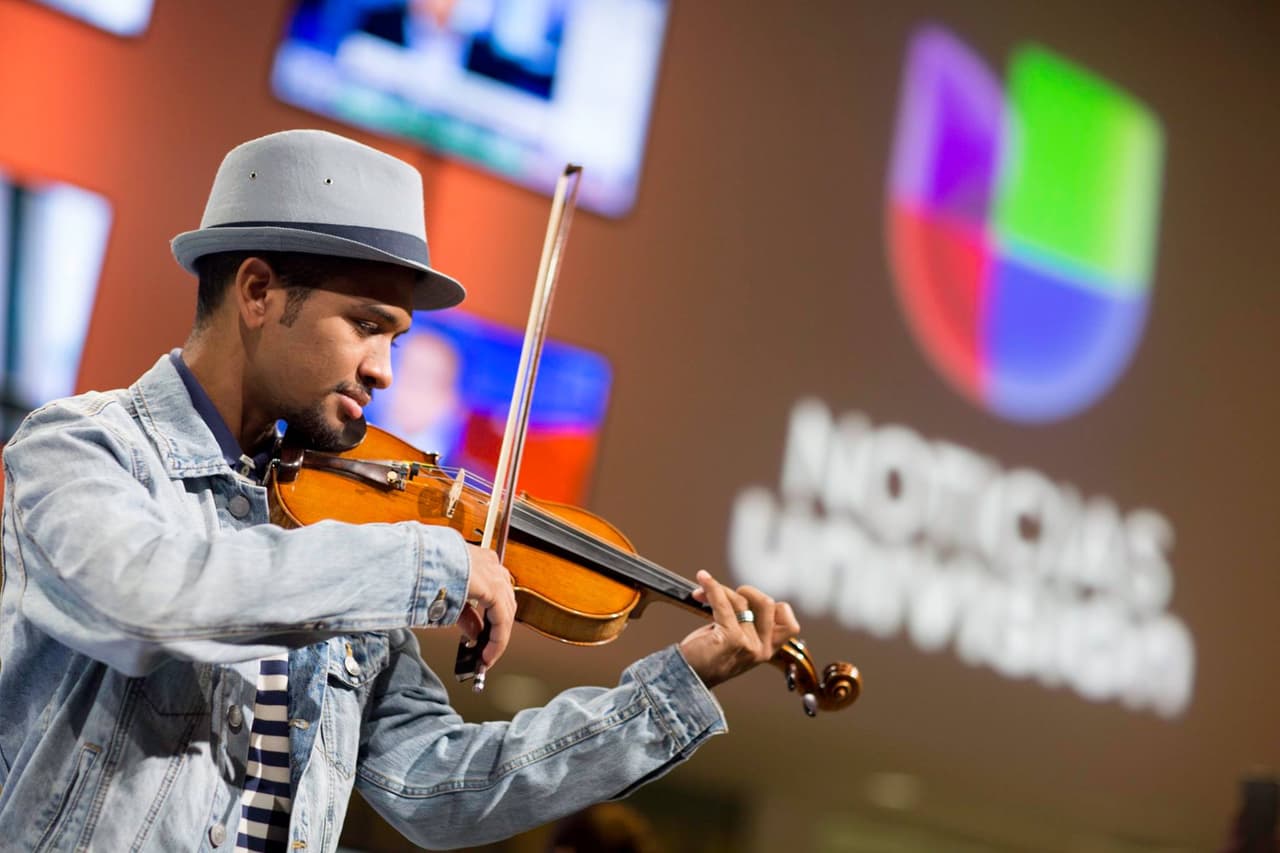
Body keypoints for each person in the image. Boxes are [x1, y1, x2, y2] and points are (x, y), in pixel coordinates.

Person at [0, 129, 800, 852]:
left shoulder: (333, 524)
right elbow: (145, 600)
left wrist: (673, 692)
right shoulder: (83, 447)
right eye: (365, 324)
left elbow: (437, 784)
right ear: (255, 290)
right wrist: (426, 564)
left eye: (394, 336)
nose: (384, 369)